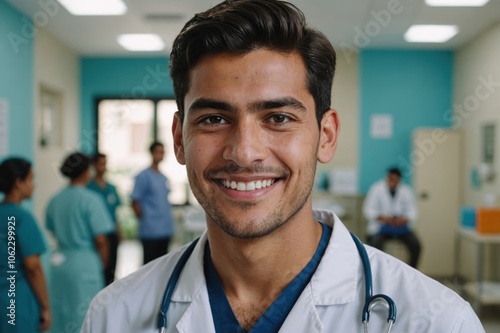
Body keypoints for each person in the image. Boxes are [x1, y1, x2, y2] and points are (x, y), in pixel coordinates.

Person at [82, 1, 484, 332]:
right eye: (214, 119)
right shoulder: (113, 316)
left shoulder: (439, 321)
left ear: (326, 136)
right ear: (178, 139)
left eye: (278, 118)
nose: (244, 152)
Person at [46, 152, 114, 331]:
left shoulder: (55, 200)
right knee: (84, 316)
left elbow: (53, 229)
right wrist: (103, 262)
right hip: (85, 265)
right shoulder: (91, 200)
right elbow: (101, 240)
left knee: (61, 311)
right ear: (86, 171)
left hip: (59, 264)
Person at [0, 158, 51, 332]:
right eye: (30, 180)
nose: (33, 185)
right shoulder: (22, 218)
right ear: (18, 183)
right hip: (17, 299)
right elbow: (33, 266)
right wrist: (45, 306)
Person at [363, 167, 422, 268]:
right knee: (374, 244)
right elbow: (367, 209)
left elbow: (413, 211)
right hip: (381, 228)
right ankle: (377, 270)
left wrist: (404, 219)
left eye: (396, 180)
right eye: (390, 179)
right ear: (387, 177)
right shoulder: (376, 188)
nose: (393, 182)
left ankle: (412, 271)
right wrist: (382, 217)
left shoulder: (406, 191)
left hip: (401, 229)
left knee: (416, 245)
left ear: (399, 179)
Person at [131, 141, 176, 264]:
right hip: (150, 230)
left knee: (163, 266)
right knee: (149, 267)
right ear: (151, 153)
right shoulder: (143, 176)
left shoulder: (163, 177)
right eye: (157, 152)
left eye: (162, 152)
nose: (160, 155)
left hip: (164, 229)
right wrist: (146, 220)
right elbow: (135, 202)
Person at [87, 152, 122, 285]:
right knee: (100, 267)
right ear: (94, 166)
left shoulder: (111, 188)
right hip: (96, 235)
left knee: (111, 268)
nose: (104, 167)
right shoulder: (89, 188)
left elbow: (115, 212)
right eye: (101, 164)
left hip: (111, 233)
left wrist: (119, 231)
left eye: (105, 164)